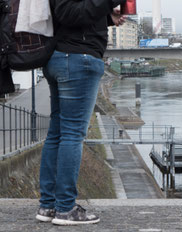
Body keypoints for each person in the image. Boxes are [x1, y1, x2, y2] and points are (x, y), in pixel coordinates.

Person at [35, 0, 126, 225]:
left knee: (57, 134)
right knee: (72, 135)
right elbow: (68, 12)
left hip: (63, 56)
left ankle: (48, 206)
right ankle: (65, 209)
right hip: (77, 59)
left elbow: (68, 13)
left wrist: (107, 16)